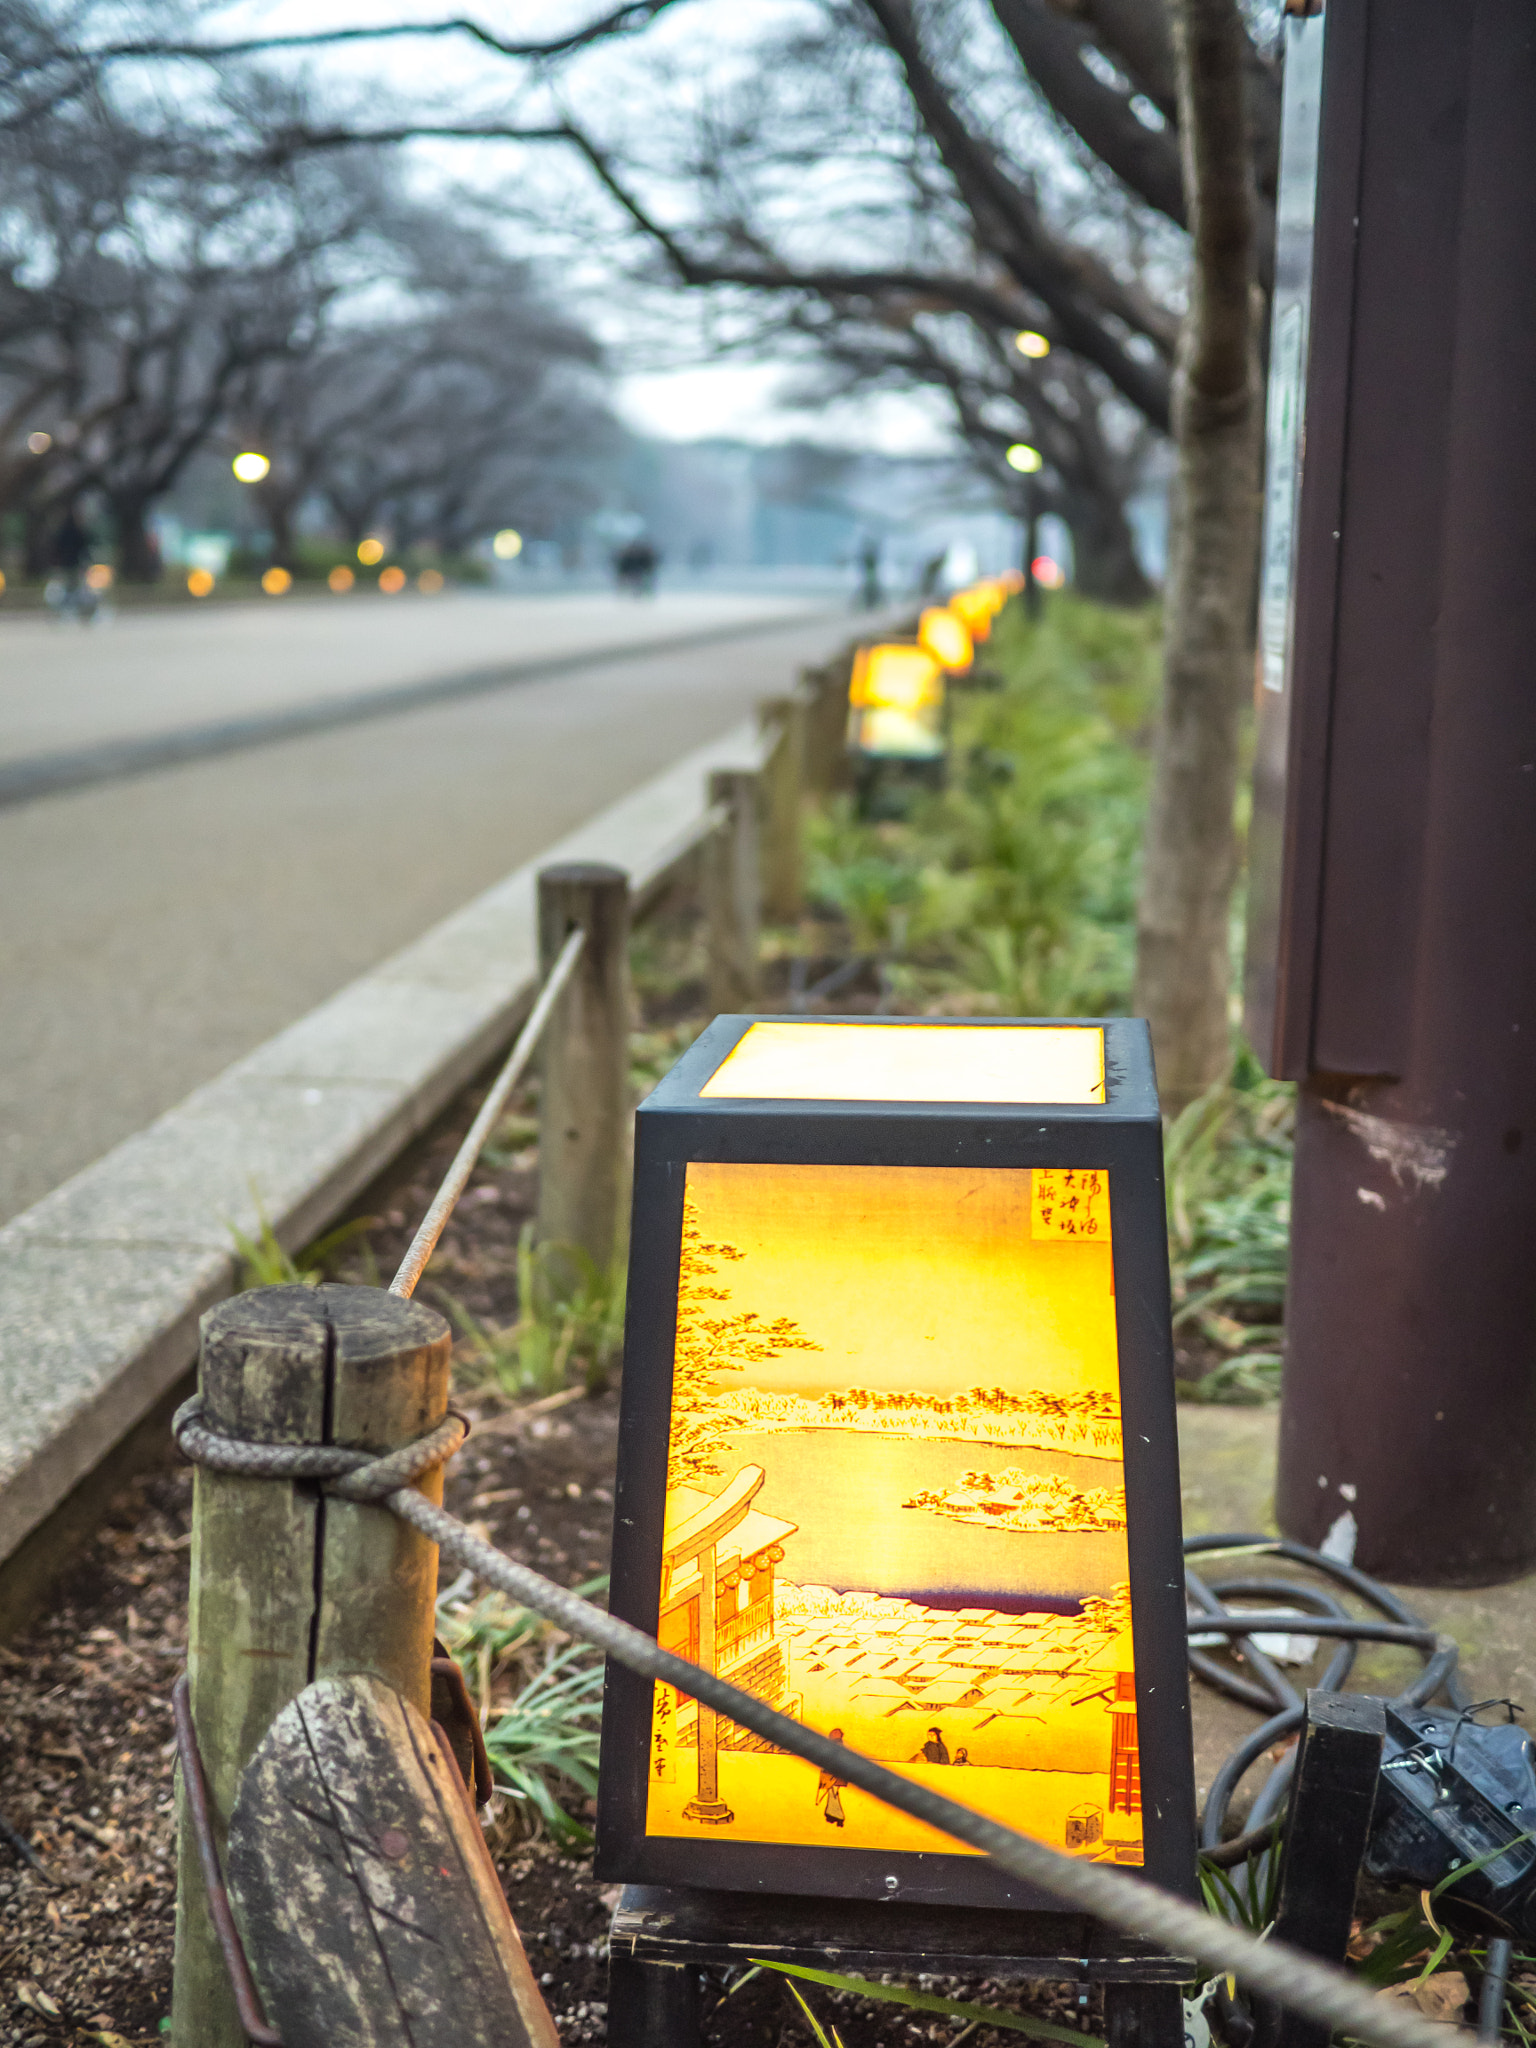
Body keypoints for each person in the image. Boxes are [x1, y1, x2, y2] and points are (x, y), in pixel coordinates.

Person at [816, 1728, 848, 1827]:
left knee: (833, 1794)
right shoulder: (832, 1745)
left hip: (835, 1774)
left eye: (837, 1733)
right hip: (831, 1773)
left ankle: (839, 1817)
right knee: (832, 1794)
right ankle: (831, 1815)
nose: (835, 1734)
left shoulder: (837, 1746)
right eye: (833, 1732)